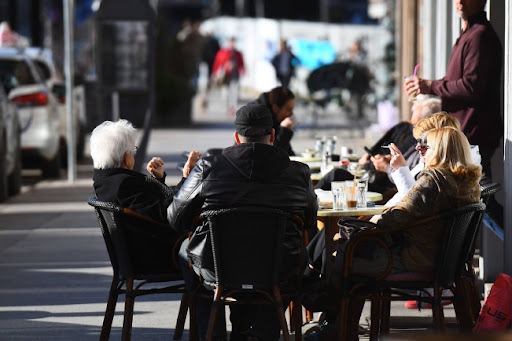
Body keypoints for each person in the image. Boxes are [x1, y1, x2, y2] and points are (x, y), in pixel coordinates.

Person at [306, 126, 482, 340]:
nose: (419, 149)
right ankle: (335, 324)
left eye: (425, 147)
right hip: (442, 260)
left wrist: (374, 220)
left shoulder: (433, 179)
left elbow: (397, 218)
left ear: (442, 151)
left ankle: (334, 322)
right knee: (352, 247)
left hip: (412, 258)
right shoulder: (467, 183)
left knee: (349, 253)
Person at [167, 104, 318, 341]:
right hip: (277, 269)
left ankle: (213, 334)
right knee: (280, 266)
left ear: (236, 137)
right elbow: (310, 221)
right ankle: (261, 332)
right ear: (273, 135)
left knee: (187, 253)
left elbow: (175, 217)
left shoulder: (208, 167)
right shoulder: (299, 173)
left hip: (217, 267)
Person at [403, 0, 501, 184]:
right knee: (476, 195)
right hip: (469, 130)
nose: (460, 1)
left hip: (475, 131)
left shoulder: (479, 36)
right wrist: (428, 85)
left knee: (478, 195)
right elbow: (459, 82)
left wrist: (431, 86)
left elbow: (471, 87)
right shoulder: (469, 33)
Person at [315, 95, 441, 193]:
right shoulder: (406, 129)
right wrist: (374, 157)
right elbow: (384, 147)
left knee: (335, 175)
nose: (412, 125)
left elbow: (408, 184)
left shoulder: (426, 152)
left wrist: (388, 166)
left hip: (385, 186)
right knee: (334, 174)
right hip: (375, 174)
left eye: (416, 123)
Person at [90, 119, 200, 224]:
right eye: (133, 151)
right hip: (161, 239)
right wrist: (186, 179)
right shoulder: (125, 184)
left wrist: (158, 179)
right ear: (127, 158)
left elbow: (149, 203)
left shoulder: (103, 181)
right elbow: (168, 211)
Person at [250, 86, 296, 156]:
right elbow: (271, 156)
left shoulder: (275, 117)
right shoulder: (258, 119)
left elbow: (288, 153)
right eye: (288, 110)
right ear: (276, 108)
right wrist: (285, 131)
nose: (291, 114)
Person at [211, 36, 245, 115]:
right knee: (227, 92)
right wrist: (215, 72)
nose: (232, 43)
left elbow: (241, 63)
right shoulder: (223, 52)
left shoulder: (238, 53)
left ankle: (232, 107)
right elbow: (217, 63)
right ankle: (228, 107)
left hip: (235, 74)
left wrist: (243, 70)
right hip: (225, 75)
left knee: (234, 91)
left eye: (233, 42)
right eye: (231, 42)